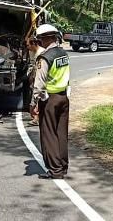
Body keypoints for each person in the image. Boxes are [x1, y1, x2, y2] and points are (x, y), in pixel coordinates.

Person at [30, 24, 70, 179]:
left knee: (49, 135)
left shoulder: (45, 57)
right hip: (64, 97)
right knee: (61, 134)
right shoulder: (63, 54)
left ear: (44, 39)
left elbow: (39, 84)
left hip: (50, 100)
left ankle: (55, 170)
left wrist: (33, 103)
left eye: (40, 39)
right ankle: (63, 166)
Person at [27, 36, 45, 126]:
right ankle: (36, 117)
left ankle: (36, 118)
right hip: (34, 77)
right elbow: (32, 65)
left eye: (28, 45)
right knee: (35, 98)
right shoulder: (31, 52)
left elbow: (39, 69)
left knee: (36, 98)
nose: (27, 47)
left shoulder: (41, 53)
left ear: (34, 44)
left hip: (40, 78)